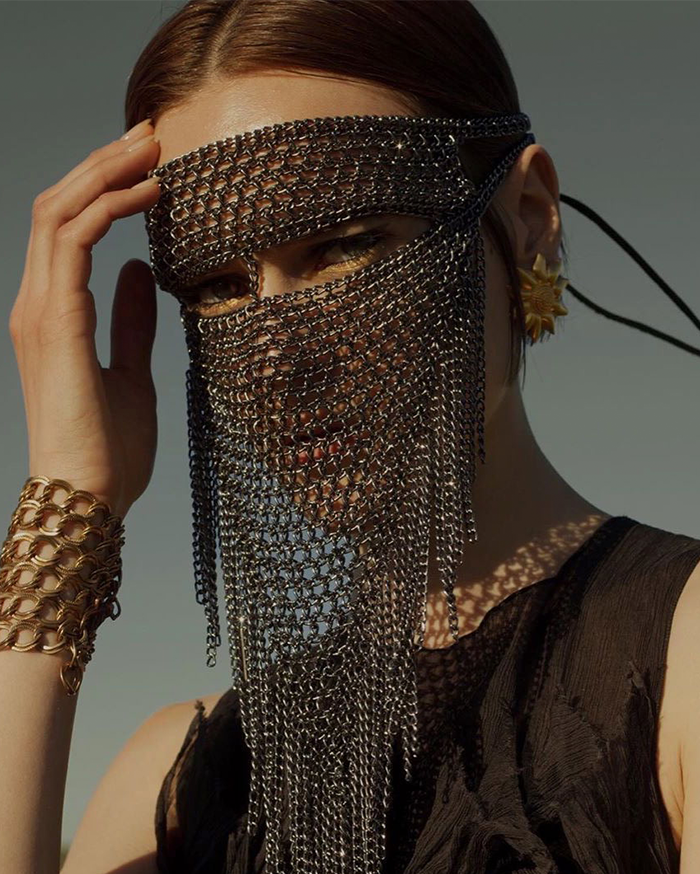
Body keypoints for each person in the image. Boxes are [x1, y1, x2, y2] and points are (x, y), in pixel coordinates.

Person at [1, 2, 699, 873]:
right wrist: (68, 505)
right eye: (216, 287)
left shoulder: (679, 663)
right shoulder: (178, 785)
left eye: (345, 247)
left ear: (527, 213)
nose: (273, 361)